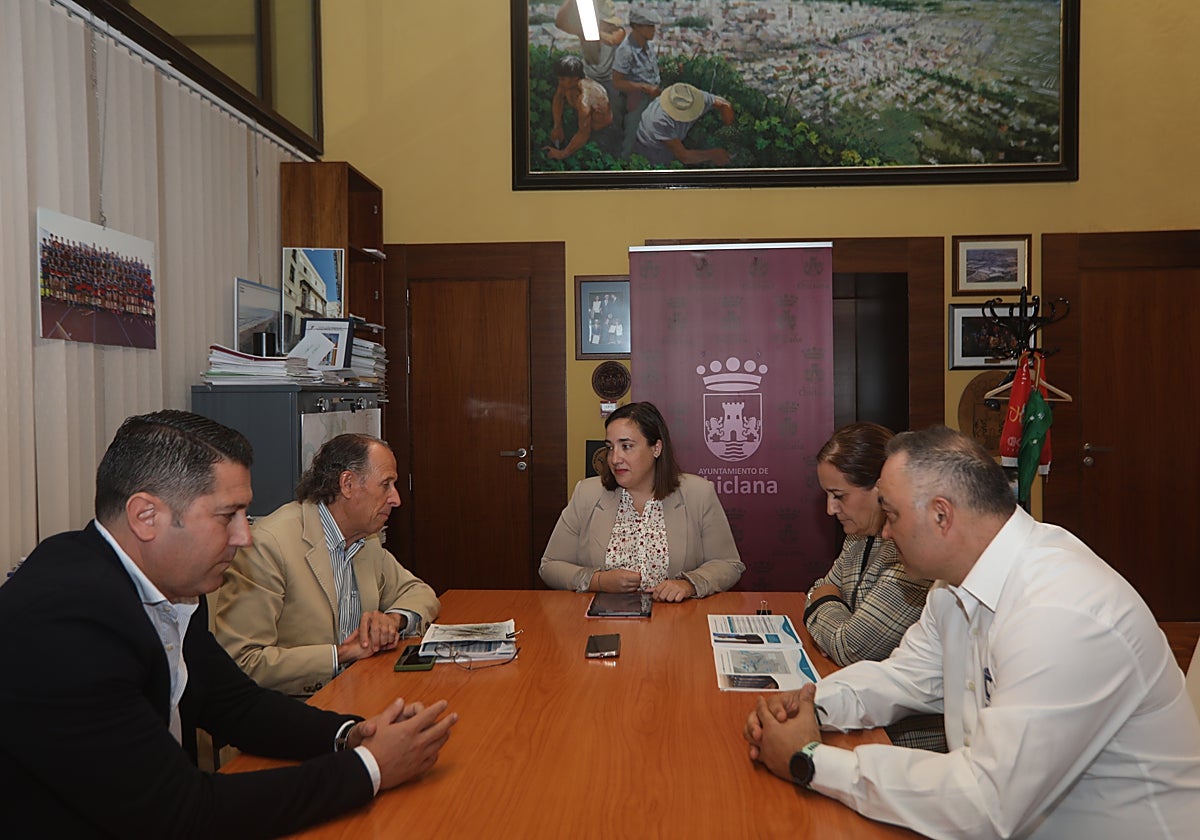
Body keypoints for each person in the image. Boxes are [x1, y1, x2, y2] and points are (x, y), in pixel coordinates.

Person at [0, 411, 457, 837]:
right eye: (227, 516)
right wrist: (369, 768)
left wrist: (351, 734)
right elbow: (181, 812)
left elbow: (237, 706)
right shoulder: (65, 624)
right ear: (146, 516)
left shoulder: (171, 586)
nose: (245, 536)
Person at [744, 426, 1200, 838]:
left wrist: (809, 760)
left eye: (893, 515)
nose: (885, 535)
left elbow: (985, 804)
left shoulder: (1061, 611)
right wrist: (810, 704)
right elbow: (906, 676)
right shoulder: (953, 585)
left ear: (941, 515)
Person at [215, 433, 439, 696]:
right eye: (386, 485)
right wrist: (340, 655)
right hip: (297, 706)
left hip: (359, 689)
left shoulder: (365, 539)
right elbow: (241, 662)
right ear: (347, 484)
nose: (396, 499)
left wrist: (393, 620)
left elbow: (419, 592)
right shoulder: (269, 545)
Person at [804, 422, 943, 751]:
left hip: (900, 741)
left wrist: (824, 608)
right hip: (859, 713)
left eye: (839, 496)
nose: (830, 509)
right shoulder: (858, 536)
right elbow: (820, 587)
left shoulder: (913, 552)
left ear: (879, 489)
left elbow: (851, 647)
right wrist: (829, 607)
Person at [540, 401, 743, 601]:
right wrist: (598, 581)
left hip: (676, 618)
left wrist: (689, 584)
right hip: (604, 617)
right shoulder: (587, 493)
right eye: (610, 447)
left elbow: (728, 564)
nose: (614, 458)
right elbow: (550, 566)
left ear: (656, 448)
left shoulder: (698, 493)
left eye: (626, 446)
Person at [632, 82, 734, 167]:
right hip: (651, 148)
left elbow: (725, 105)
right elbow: (684, 156)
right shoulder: (660, 121)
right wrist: (713, 154)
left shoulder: (692, 97)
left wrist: (729, 131)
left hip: (671, 137)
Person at [612, 8, 662, 158]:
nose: (653, 30)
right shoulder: (626, 51)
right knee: (632, 138)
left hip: (652, 97)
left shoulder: (648, 46)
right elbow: (617, 82)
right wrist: (644, 87)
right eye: (649, 26)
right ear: (637, 27)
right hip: (635, 100)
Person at [545, 54, 615, 160]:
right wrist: (557, 126)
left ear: (575, 78)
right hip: (583, 124)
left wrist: (562, 154)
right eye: (559, 79)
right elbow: (558, 98)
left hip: (602, 133)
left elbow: (584, 133)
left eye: (563, 79)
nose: (560, 82)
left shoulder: (585, 98)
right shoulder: (567, 84)